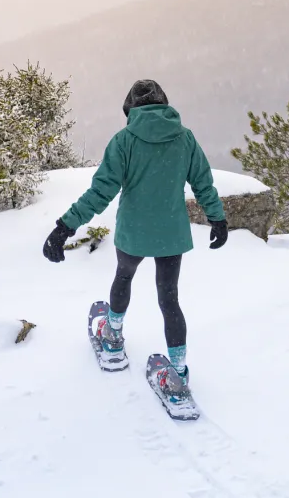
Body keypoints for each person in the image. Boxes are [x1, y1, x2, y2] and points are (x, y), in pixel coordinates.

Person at [41, 79, 228, 402]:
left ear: (130, 109)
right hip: (172, 234)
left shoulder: (124, 141)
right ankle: (179, 375)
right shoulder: (184, 139)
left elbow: (100, 193)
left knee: (124, 276)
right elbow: (203, 183)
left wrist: (64, 227)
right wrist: (218, 218)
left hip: (133, 233)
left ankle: (112, 336)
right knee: (169, 301)